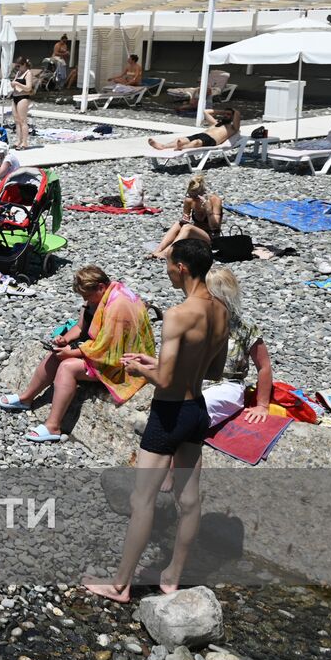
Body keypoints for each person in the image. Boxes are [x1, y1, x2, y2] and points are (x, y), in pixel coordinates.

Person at [84, 240, 227, 603]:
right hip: (197, 411)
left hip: (168, 412)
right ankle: (172, 577)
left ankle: (120, 585)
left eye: (167, 264)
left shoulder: (179, 314)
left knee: (142, 499)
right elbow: (213, 370)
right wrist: (153, 363)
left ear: (181, 267)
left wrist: (138, 369)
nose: (165, 270)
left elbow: (165, 382)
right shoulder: (221, 311)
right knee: (190, 500)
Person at [0, 266, 156, 443]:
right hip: (104, 349)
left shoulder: (117, 306)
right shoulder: (100, 297)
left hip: (122, 361)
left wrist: (71, 353)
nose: (85, 300)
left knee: (67, 367)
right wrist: (64, 340)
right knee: (56, 354)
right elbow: (81, 327)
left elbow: (106, 348)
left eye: (87, 296)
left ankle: (53, 426)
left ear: (101, 287)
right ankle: (26, 398)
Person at [204, 268, 274, 424]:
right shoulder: (196, 321)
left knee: (197, 410)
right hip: (196, 382)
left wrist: (262, 405)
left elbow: (264, 366)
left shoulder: (244, 327)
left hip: (228, 384)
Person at [151, 175, 221, 258]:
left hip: (211, 238)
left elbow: (215, 227)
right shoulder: (189, 201)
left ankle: (167, 252)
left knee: (188, 228)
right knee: (178, 224)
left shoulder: (215, 200)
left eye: (195, 196)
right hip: (196, 235)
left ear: (202, 192)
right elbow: (185, 218)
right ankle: (158, 250)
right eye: (190, 195)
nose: (193, 199)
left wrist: (209, 210)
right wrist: (184, 219)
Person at [148, 108, 241, 151]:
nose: (225, 115)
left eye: (228, 114)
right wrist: (222, 111)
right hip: (202, 134)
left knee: (197, 142)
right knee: (180, 139)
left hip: (212, 140)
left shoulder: (233, 128)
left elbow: (237, 113)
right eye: (225, 114)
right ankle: (162, 146)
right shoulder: (216, 123)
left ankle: (182, 147)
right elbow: (206, 111)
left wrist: (233, 111)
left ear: (233, 117)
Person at [10, 58, 39, 149]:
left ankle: (25, 142)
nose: (17, 68)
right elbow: (14, 83)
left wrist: (17, 84)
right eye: (16, 66)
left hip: (23, 97)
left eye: (19, 66)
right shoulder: (18, 73)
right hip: (15, 97)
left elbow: (28, 88)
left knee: (23, 121)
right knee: (17, 121)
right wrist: (13, 84)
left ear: (24, 65)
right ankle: (18, 141)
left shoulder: (28, 73)